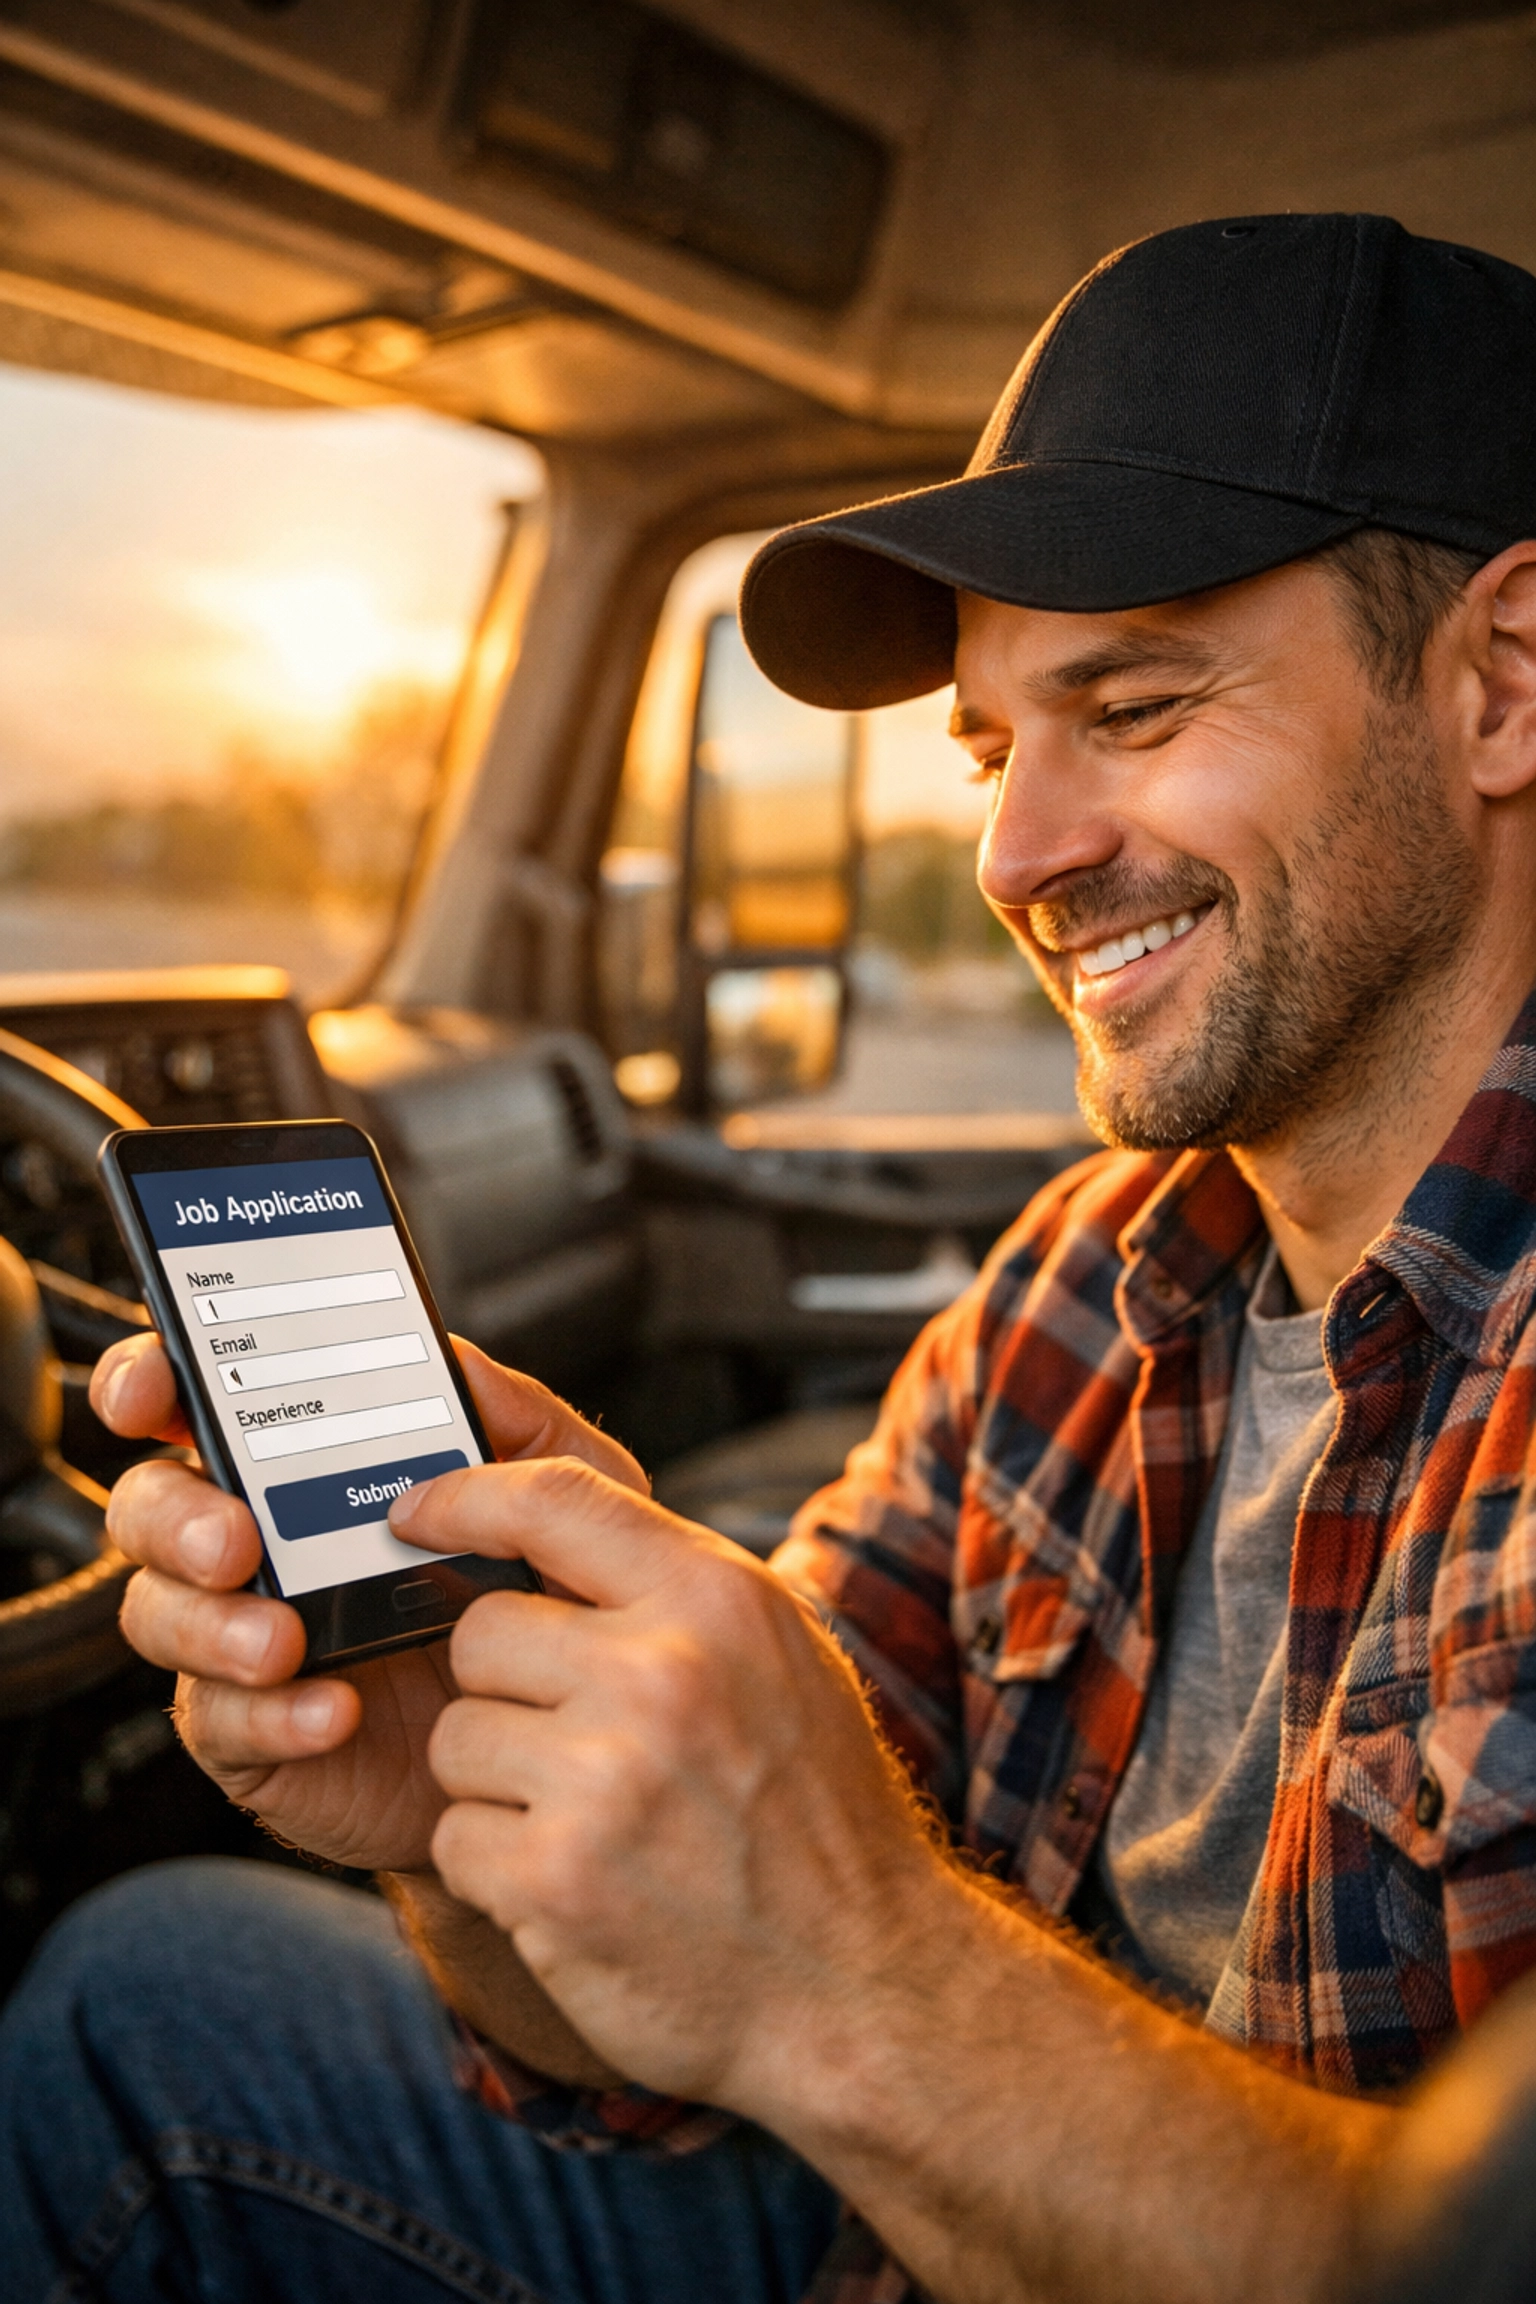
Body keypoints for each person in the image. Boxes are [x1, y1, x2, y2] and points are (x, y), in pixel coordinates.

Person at [6, 209, 1536, 2304]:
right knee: (139, 1996)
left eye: (1136, 706)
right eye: (991, 751)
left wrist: (859, 1961)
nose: (1015, 854)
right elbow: (650, 2035)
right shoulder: (1079, 1292)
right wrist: (470, 1797)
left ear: (1503, 682)